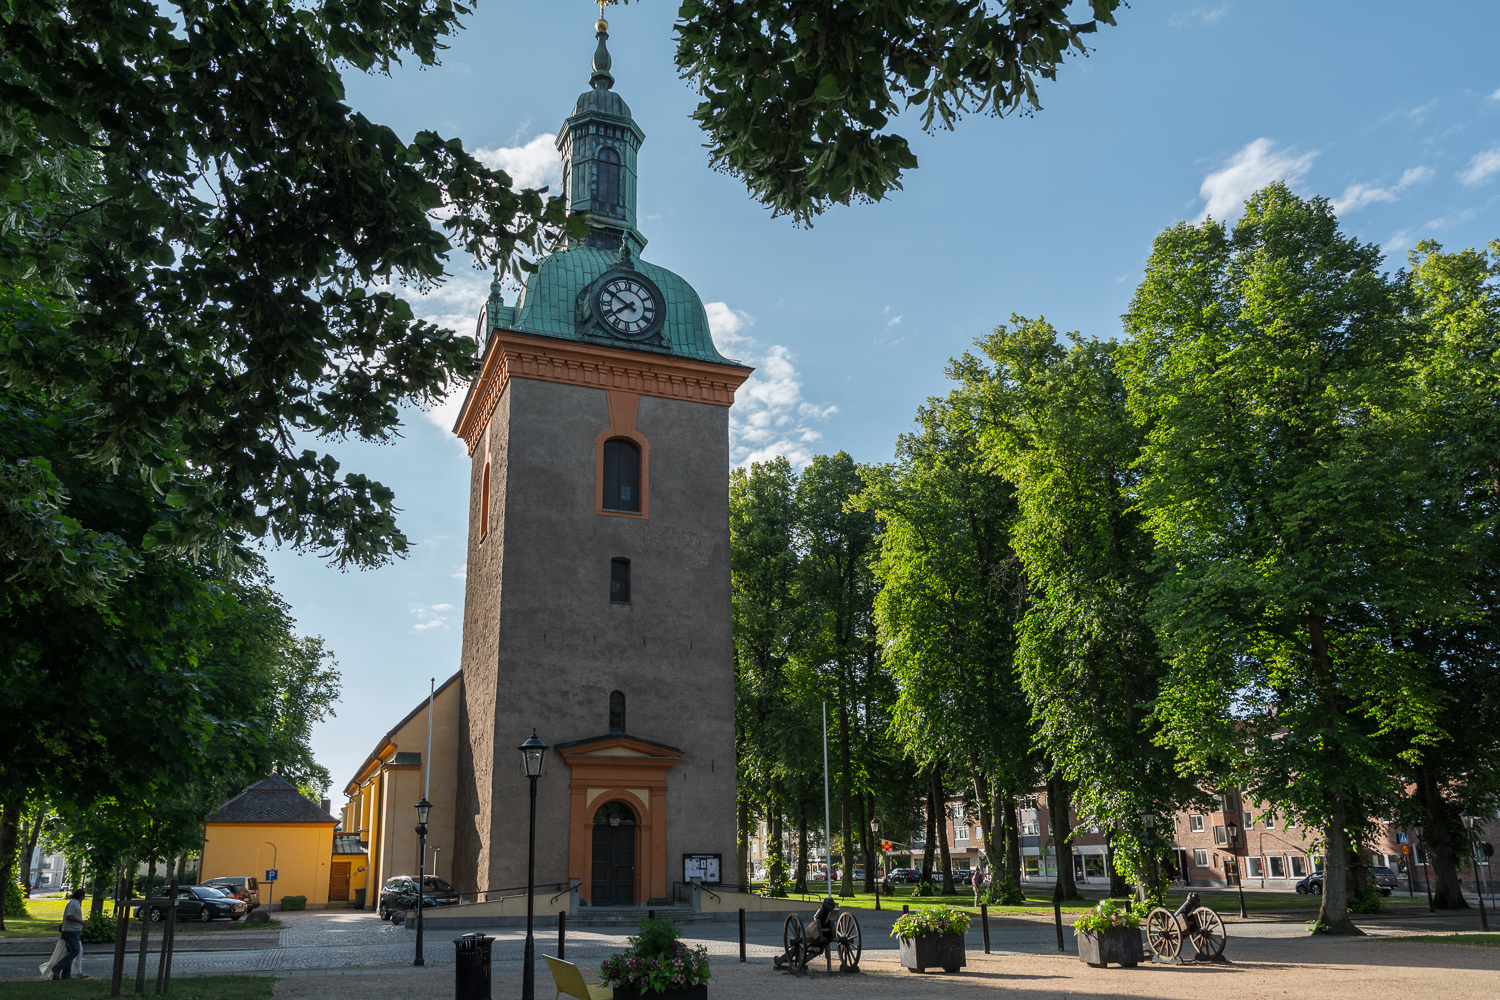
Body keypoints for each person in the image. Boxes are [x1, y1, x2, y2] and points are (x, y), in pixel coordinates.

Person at [52, 888, 86, 980]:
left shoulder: (74, 903)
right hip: (71, 931)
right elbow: (69, 916)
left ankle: (66, 975)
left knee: (70, 952)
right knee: (75, 950)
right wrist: (81, 922)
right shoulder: (73, 904)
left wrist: (62, 926)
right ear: (82, 896)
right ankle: (57, 967)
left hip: (72, 930)